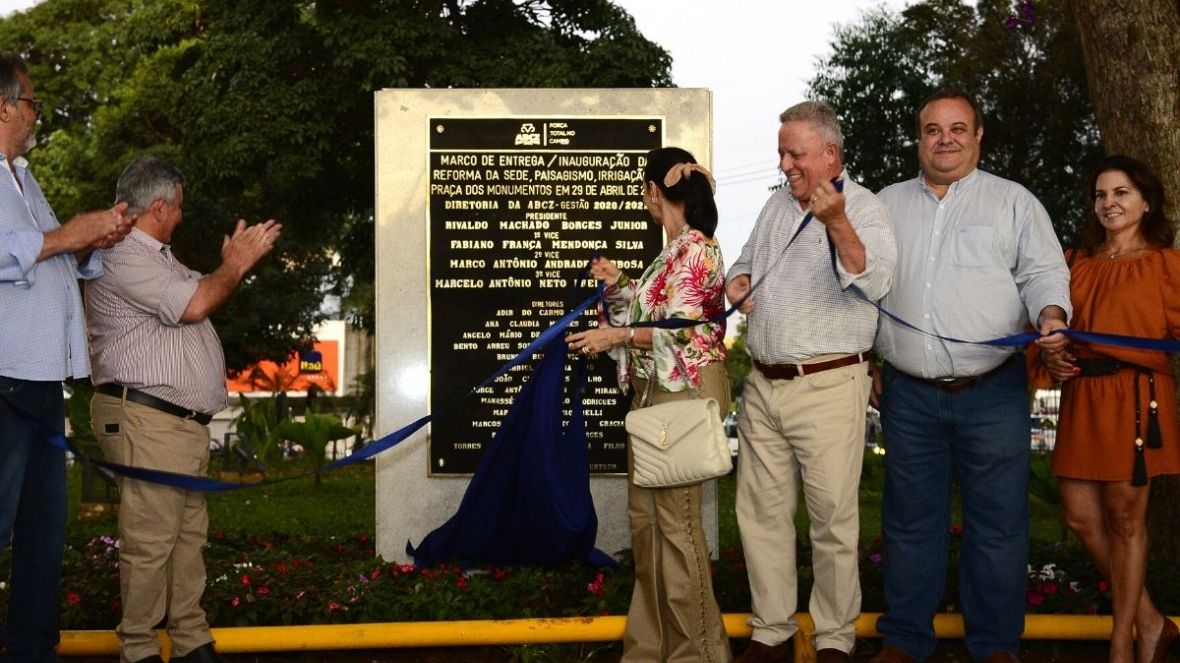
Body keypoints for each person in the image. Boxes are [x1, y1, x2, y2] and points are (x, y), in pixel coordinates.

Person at [870, 89, 1071, 663]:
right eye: (933, 129)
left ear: (979, 136)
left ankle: (995, 646)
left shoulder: (1014, 202)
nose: (946, 139)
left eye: (958, 128)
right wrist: (866, 359)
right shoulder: (884, 204)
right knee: (909, 523)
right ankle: (906, 640)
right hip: (907, 392)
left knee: (1000, 525)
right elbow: (863, 286)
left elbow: (1043, 273)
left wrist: (1051, 317)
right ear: (919, 137)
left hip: (994, 393)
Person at [86, 155, 281, 663]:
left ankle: (191, 639)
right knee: (152, 540)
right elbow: (195, 304)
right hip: (147, 418)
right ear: (160, 206)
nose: (182, 216)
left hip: (176, 426)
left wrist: (225, 270)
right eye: (179, 208)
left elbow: (200, 295)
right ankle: (139, 648)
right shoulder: (123, 253)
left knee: (186, 539)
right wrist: (234, 264)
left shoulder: (159, 257)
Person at [724, 100, 896, 663]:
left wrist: (838, 222)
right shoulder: (775, 206)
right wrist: (739, 280)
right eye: (781, 152)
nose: (785, 164)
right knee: (761, 516)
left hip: (827, 384)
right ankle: (771, 632)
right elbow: (743, 261)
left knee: (832, 520)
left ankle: (834, 640)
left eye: (795, 153)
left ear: (830, 153)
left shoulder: (865, 207)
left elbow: (873, 279)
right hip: (764, 383)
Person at [565, 146, 731, 663]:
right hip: (653, 396)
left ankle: (697, 653)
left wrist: (613, 333)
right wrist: (618, 286)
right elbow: (654, 308)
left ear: (655, 192)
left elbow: (678, 328)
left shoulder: (698, 249)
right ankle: (649, 647)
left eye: (644, 192)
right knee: (648, 527)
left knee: (677, 528)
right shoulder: (673, 252)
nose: (644, 201)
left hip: (682, 390)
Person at [0, 51, 131, 661]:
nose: (35, 115)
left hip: (40, 381)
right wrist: (67, 236)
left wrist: (90, 243)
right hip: (5, 381)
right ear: (3, 106)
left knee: (44, 532)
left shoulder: (25, 176)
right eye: (31, 103)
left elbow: (51, 251)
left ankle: (32, 649)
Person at [1035, 155, 1179, 663]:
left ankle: (1123, 644)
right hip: (1083, 398)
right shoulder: (1074, 262)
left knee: (1125, 520)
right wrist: (1052, 360)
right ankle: (1150, 621)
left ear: (1146, 201)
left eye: (1120, 193)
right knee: (1080, 517)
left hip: (1136, 399)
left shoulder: (1167, 264)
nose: (1109, 203)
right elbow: (1049, 331)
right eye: (1100, 195)